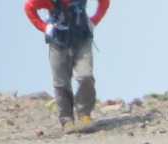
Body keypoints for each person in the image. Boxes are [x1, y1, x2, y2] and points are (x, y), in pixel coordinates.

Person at [24, 0, 111, 133]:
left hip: (82, 39)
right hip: (58, 42)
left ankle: (85, 116)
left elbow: (104, 2)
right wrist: (44, 27)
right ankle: (67, 121)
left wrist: (94, 20)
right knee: (61, 83)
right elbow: (29, 7)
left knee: (85, 76)